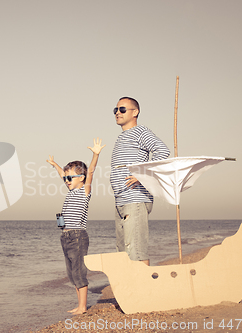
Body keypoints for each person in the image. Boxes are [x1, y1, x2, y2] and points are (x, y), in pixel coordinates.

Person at [46, 138, 105, 315]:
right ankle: (79, 304)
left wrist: (95, 155)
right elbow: (61, 175)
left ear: (82, 178)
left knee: (79, 272)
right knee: (72, 274)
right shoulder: (71, 191)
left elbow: (92, 172)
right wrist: (54, 164)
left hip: (78, 236)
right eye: (66, 178)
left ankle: (83, 307)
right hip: (65, 237)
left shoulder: (84, 191)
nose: (66, 180)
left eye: (70, 177)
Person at [110, 97, 170, 266]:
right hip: (121, 200)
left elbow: (162, 151)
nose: (117, 113)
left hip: (135, 199)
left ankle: (144, 291)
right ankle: (131, 290)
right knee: (123, 252)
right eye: (115, 110)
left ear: (135, 112)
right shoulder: (122, 137)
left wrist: (142, 175)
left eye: (122, 109)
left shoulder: (141, 132)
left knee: (136, 250)